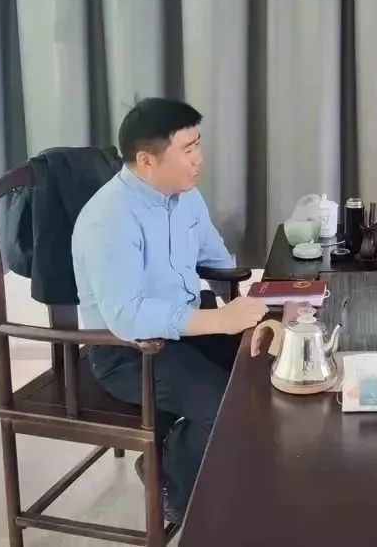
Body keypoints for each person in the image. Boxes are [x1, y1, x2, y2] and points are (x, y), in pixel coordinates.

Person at [73, 98, 268, 523]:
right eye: (187, 149)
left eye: (198, 145)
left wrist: (253, 307)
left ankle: (244, 479)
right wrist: (220, 320)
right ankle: (173, 485)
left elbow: (215, 258)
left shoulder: (186, 195)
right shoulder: (109, 219)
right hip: (129, 351)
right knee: (220, 405)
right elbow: (127, 316)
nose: (199, 158)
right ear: (146, 160)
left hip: (185, 326)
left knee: (265, 367)